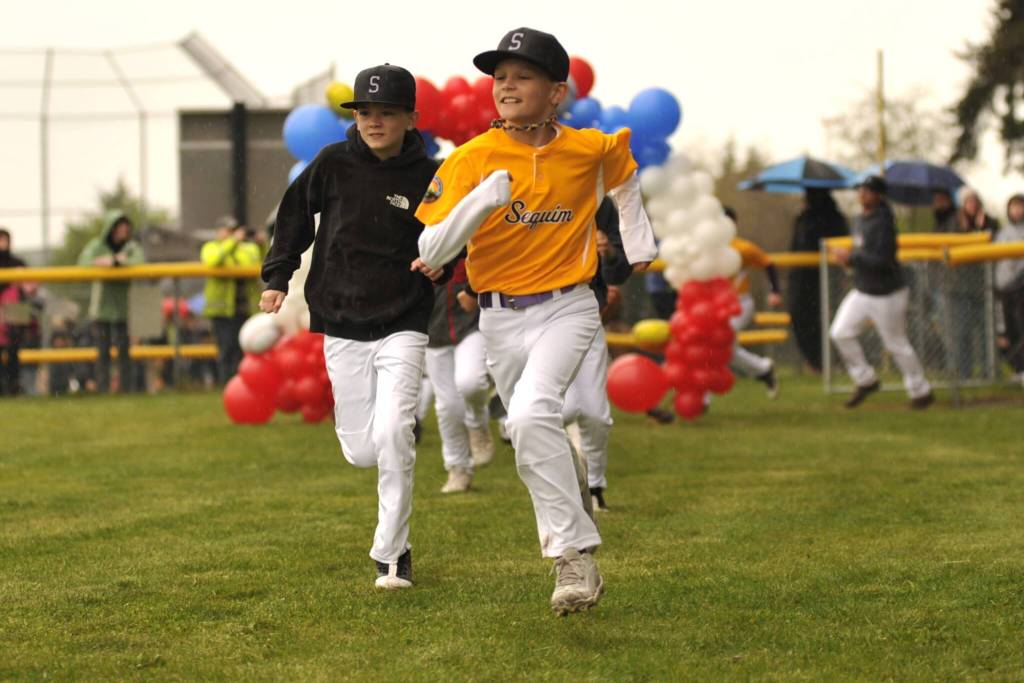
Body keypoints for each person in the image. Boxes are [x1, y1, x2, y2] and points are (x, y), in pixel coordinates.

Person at [415, 27, 657, 615]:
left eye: (522, 76)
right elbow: (431, 245)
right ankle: (571, 481)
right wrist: (479, 203)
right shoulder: (471, 159)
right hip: (498, 317)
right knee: (530, 430)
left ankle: (573, 560)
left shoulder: (588, 147)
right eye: (499, 77)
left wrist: (638, 238)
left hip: (568, 305)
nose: (506, 86)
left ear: (556, 92)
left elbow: (623, 173)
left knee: (527, 415)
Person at [260, 64, 445, 590]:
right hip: (340, 316)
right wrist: (278, 275)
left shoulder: (429, 175)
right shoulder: (332, 163)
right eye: (365, 112)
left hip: (403, 318)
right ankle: (391, 437)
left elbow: (449, 236)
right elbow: (293, 217)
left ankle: (392, 553)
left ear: (411, 118)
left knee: (393, 436)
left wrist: (443, 266)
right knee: (362, 449)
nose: (373, 121)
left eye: (386, 112)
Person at [828, 175, 933, 409]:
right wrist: (848, 261)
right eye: (860, 190)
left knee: (896, 344)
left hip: (888, 293)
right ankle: (866, 379)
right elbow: (862, 256)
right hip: (863, 290)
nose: (862, 194)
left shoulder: (884, 221)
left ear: (878, 195)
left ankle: (920, 391)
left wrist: (851, 257)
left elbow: (882, 260)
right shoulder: (860, 220)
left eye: (867, 190)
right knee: (839, 332)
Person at [562, 196, 634, 513]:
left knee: (594, 414)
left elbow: (621, 268)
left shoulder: (598, 199)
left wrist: (610, 254)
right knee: (554, 412)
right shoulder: (523, 184)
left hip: (586, 311)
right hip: (532, 313)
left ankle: (594, 485)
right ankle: (560, 486)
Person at [424, 257, 493, 493]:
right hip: (431, 330)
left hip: (472, 325)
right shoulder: (415, 236)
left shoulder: (469, 232)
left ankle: (477, 424)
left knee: (471, 382)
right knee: (447, 406)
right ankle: (458, 468)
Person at [77, 211, 145, 393]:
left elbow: (138, 261)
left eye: (126, 227)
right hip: (101, 309)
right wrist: (114, 261)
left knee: (124, 352)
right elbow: (83, 263)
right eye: (120, 227)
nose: (124, 231)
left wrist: (112, 262)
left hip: (123, 308)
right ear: (112, 228)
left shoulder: (130, 247)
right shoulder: (97, 246)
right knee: (103, 352)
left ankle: (127, 388)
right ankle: (103, 389)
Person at [788, 189, 848, 372]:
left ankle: (832, 361)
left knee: (829, 319)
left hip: (826, 278)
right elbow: (794, 247)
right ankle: (815, 361)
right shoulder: (801, 219)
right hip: (801, 278)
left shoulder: (835, 218)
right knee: (800, 317)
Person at [724, 207, 781, 398]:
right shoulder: (706, 248)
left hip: (739, 304)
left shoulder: (743, 248)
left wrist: (775, 291)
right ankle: (763, 370)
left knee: (718, 343)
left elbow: (768, 264)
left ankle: (703, 397)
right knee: (725, 349)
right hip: (714, 306)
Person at [201, 217, 263, 383]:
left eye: (233, 231)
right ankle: (227, 384)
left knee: (243, 349)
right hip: (221, 311)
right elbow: (214, 260)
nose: (231, 234)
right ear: (218, 232)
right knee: (226, 349)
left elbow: (252, 261)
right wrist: (232, 242)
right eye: (227, 230)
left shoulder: (246, 248)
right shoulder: (210, 247)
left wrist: (257, 243)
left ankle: (243, 382)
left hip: (244, 309)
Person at [995, 193, 1024, 382]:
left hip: (1021, 287)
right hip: (1005, 288)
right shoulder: (1003, 232)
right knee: (1009, 331)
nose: (1017, 210)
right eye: (1013, 206)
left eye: (1020, 206)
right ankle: (1019, 370)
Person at [0, 228, 27, 395]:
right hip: (2, 307)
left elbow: (29, 285)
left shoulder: (18, 262)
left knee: (14, 349)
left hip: (16, 307)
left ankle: (13, 387)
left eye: (5, 239)